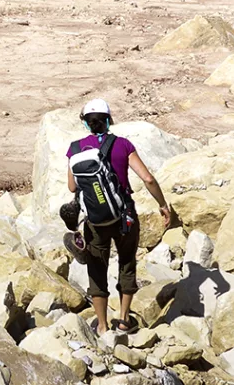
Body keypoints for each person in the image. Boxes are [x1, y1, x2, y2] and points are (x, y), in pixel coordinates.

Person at [66, 98, 172, 335]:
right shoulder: (123, 145)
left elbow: (72, 188)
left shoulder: (74, 149)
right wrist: (163, 204)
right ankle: (124, 320)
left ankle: (102, 326)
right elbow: (148, 179)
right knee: (126, 262)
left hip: (94, 220)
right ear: (108, 120)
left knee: (96, 267)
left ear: (86, 123)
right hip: (125, 217)